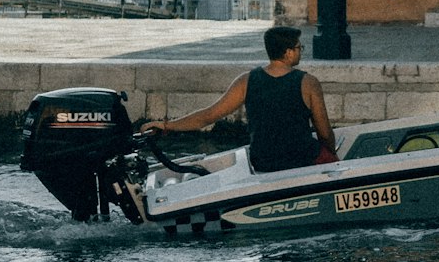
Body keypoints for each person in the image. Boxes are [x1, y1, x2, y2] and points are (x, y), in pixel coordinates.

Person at [142, 26, 336, 172]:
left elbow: (208, 116)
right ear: (288, 52)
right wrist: (331, 154)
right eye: (299, 47)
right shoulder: (308, 83)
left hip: (263, 161)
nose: (301, 50)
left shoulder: (246, 81)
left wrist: (166, 125)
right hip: (300, 159)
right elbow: (324, 132)